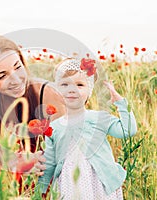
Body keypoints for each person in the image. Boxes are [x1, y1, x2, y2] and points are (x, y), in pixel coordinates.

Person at [37, 58, 137, 199]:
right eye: (64, 84)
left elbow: (128, 130)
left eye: (79, 85)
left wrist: (120, 103)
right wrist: (39, 191)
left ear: (89, 91)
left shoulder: (99, 118)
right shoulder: (54, 127)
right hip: (68, 184)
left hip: (99, 183)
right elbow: (49, 162)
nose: (72, 89)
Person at [0, 34, 65, 173]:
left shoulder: (47, 94)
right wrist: (12, 162)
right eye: (2, 76)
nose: (16, 80)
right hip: (11, 182)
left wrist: (40, 161)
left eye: (17, 67)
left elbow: (69, 151)